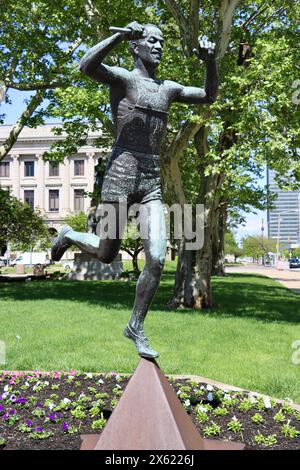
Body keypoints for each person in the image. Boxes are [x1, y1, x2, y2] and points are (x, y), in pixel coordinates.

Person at [51, 21, 218, 358]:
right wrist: (118, 34)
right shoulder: (124, 80)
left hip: (151, 182)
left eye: (162, 42)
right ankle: (68, 234)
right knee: (107, 251)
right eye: (152, 41)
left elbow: (208, 95)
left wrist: (209, 62)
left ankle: (136, 326)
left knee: (156, 257)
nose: (158, 46)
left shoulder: (167, 88)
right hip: (119, 177)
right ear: (136, 47)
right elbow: (86, 66)